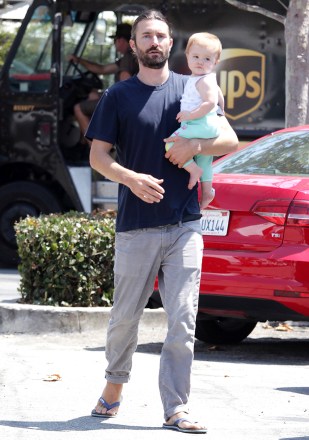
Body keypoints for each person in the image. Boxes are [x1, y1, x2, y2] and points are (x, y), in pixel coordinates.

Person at [86, 9, 238, 434]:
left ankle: (176, 407)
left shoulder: (194, 86)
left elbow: (229, 138)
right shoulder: (118, 96)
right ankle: (114, 385)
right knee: (125, 317)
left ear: (173, 44)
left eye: (161, 36)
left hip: (185, 223)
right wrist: (129, 178)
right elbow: (98, 157)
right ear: (133, 46)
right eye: (146, 36)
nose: (154, 42)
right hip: (136, 225)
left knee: (182, 319)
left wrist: (193, 144)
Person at [166, 32, 224, 209]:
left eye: (207, 59)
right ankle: (207, 192)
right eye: (196, 56)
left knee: (170, 144)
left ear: (215, 62)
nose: (200, 61)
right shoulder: (204, 79)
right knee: (205, 159)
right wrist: (223, 111)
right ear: (188, 56)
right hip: (206, 124)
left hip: (200, 124)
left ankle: (193, 170)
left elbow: (210, 102)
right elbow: (219, 97)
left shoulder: (203, 81)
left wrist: (190, 115)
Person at [69, 23, 139, 136]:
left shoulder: (127, 58)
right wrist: (79, 60)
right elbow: (102, 69)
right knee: (94, 96)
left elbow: (125, 85)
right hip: (124, 101)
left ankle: (94, 150)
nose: (115, 44)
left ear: (120, 40)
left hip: (121, 104)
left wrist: (107, 96)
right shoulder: (133, 57)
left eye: (115, 40)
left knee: (78, 108)